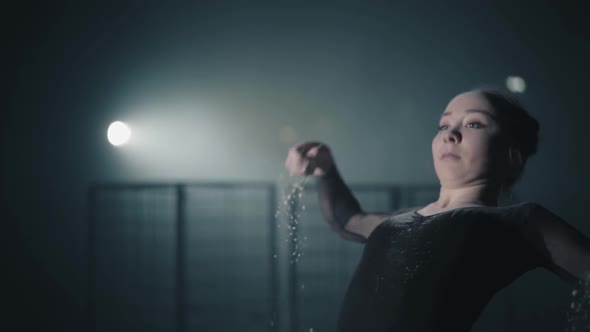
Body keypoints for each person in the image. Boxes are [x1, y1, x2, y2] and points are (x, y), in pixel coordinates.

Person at [284, 89, 590, 332]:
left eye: (473, 124)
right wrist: (326, 168)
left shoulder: (520, 222)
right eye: (444, 125)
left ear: (513, 155)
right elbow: (350, 221)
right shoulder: (401, 220)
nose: (449, 134)